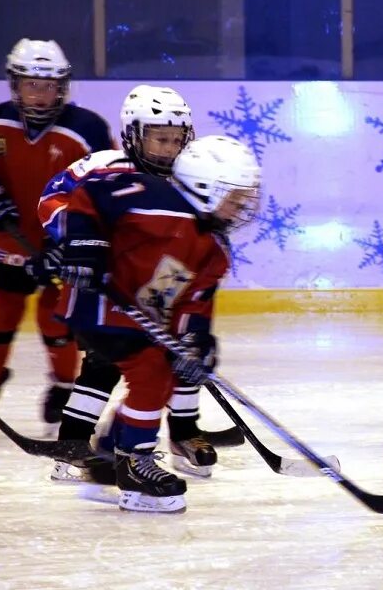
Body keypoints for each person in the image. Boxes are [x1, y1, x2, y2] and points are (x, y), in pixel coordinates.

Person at [56, 135, 260, 513]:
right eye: (234, 197)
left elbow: (194, 303)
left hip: (137, 316)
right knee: (151, 375)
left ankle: (112, 449)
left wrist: (197, 342)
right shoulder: (149, 195)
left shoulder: (212, 248)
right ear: (205, 187)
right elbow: (87, 195)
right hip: (98, 304)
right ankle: (134, 463)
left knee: (163, 375)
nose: (240, 208)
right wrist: (85, 245)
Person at [38, 84, 224, 483]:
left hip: (165, 283)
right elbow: (53, 200)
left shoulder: (188, 174)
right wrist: (73, 240)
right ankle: (74, 441)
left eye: (177, 139)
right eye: (160, 138)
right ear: (134, 135)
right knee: (104, 362)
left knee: (179, 353)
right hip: (107, 283)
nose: (170, 149)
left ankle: (183, 431)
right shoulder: (104, 166)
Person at [0, 38, 114, 419]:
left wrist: (78, 240)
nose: (42, 95)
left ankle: (63, 387)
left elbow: (108, 187)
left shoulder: (87, 128)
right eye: (32, 84)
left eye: (50, 86)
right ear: (16, 84)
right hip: (12, 241)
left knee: (56, 319)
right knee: (0, 316)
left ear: (63, 87)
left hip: (62, 245)